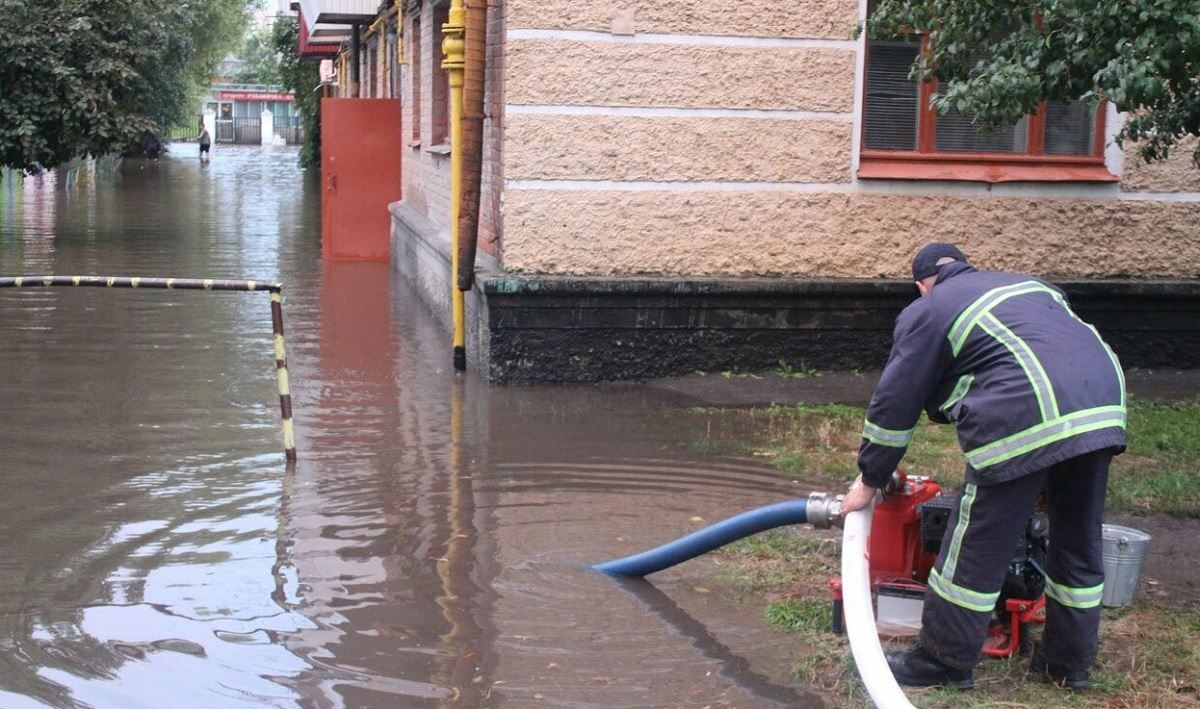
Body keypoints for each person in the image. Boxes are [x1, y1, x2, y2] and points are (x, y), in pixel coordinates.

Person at [840, 243, 1126, 691]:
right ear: (964, 266)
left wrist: (872, 477)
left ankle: (943, 661)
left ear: (921, 285)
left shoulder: (928, 310)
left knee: (976, 542)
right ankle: (1067, 665)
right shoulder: (1029, 286)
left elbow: (895, 403)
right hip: (1102, 407)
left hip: (1025, 412)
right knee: (1077, 539)